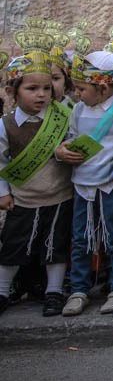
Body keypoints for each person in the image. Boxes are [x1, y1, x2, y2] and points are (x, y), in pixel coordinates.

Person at [0, 24, 73, 317]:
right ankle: (4, 291)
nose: (41, 95)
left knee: (55, 247)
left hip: (58, 195)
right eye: (32, 89)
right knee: (13, 246)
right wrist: (3, 192)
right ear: (12, 91)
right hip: (23, 197)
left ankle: (53, 292)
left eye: (46, 88)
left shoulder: (61, 117)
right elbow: (1, 162)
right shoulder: (5, 125)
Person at [58, 43, 113, 317]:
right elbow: (71, 138)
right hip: (83, 183)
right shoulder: (78, 110)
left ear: (102, 87)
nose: (76, 94)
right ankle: (79, 288)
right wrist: (63, 150)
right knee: (81, 238)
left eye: (81, 89)